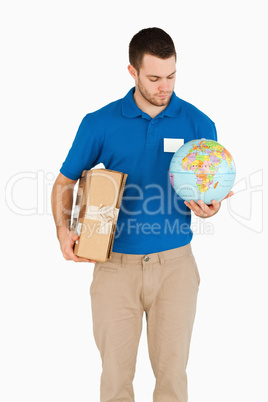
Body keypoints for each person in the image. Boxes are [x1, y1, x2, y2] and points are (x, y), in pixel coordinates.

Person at [51, 27, 233, 402]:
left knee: (172, 379)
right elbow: (64, 182)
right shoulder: (99, 122)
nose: (164, 86)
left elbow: (207, 190)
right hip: (114, 268)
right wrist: (62, 229)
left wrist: (210, 209)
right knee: (115, 380)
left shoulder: (199, 124)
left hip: (176, 268)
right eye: (153, 78)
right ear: (132, 72)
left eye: (171, 76)